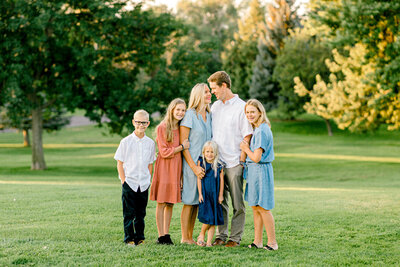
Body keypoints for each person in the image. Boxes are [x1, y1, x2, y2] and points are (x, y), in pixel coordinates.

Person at [208, 71, 253, 247]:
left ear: (224, 86)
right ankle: (221, 235)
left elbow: (247, 136)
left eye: (214, 88)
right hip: (217, 163)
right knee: (220, 201)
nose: (213, 92)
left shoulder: (241, 107)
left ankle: (235, 238)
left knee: (237, 203)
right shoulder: (215, 107)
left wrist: (241, 161)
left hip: (235, 162)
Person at [150, 98, 189, 245]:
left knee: (170, 202)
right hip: (164, 168)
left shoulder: (181, 128)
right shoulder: (162, 127)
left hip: (176, 168)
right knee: (161, 202)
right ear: (172, 110)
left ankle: (167, 234)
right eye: (178, 109)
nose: (180, 112)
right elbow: (164, 152)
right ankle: (161, 236)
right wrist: (181, 147)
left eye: (183, 110)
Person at [240, 99, 278, 251]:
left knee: (263, 207)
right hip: (254, 172)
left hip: (261, 171)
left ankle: (272, 243)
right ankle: (258, 241)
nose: (249, 115)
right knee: (255, 207)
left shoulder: (262, 130)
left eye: (252, 112)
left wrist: (245, 148)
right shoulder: (257, 129)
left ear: (260, 113)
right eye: (247, 112)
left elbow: (256, 157)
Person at [114, 109, 156, 247]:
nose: (141, 125)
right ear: (133, 122)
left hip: (143, 183)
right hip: (129, 182)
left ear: (148, 123)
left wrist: (148, 179)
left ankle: (140, 238)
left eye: (144, 122)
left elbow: (150, 163)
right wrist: (123, 180)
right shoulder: (126, 142)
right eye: (138, 122)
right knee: (128, 213)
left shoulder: (150, 143)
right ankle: (129, 238)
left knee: (140, 214)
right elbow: (120, 163)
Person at [180, 83, 212, 244]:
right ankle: (185, 237)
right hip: (191, 165)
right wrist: (193, 167)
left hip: (206, 167)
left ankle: (191, 236)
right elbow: (183, 144)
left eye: (209, 91)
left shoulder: (209, 114)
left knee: (197, 202)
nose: (209, 94)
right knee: (189, 201)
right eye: (206, 92)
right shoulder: (189, 115)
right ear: (198, 94)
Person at [196, 141, 224, 247]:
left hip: (215, 195)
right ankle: (201, 234)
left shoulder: (219, 164)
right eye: (207, 151)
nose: (209, 154)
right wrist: (200, 194)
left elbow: (221, 180)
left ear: (216, 153)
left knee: (214, 219)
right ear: (204, 152)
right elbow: (199, 179)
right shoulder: (201, 162)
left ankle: (208, 242)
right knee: (208, 217)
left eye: (212, 152)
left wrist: (221, 195)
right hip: (205, 194)